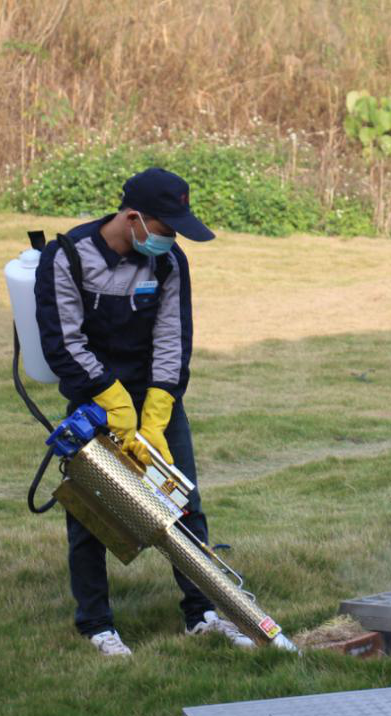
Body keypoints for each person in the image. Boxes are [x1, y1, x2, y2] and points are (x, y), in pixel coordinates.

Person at [35, 167, 250, 656]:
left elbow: (173, 340)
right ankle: (96, 625)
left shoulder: (169, 263)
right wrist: (112, 403)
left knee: (183, 505)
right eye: (166, 228)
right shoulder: (66, 257)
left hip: (155, 399)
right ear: (134, 219)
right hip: (97, 401)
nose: (172, 239)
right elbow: (62, 343)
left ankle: (204, 612)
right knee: (91, 516)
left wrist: (154, 415)